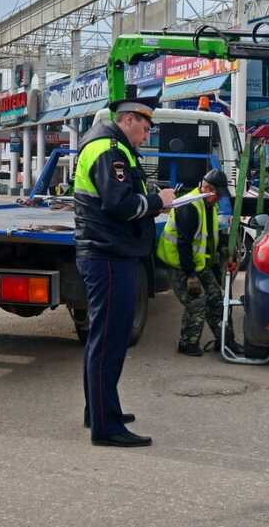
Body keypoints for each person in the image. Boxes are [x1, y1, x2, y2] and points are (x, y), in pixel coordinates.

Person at [74, 96, 175, 448]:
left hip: (108, 253)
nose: (146, 136)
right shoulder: (109, 149)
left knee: (102, 338)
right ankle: (107, 426)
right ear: (129, 119)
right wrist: (157, 202)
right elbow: (119, 204)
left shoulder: (111, 145)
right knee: (110, 340)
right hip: (109, 255)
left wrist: (149, 203)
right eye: (145, 128)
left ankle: (99, 409)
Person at [157, 169, 240, 356]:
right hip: (179, 263)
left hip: (200, 263)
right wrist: (191, 276)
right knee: (197, 301)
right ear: (207, 189)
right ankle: (187, 344)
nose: (219, 199)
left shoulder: (209, 205)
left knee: (217, 300)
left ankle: (227, 342)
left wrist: (223, 251)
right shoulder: (189, 206)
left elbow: (209, 237)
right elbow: (184, 245)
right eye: (217, 195)